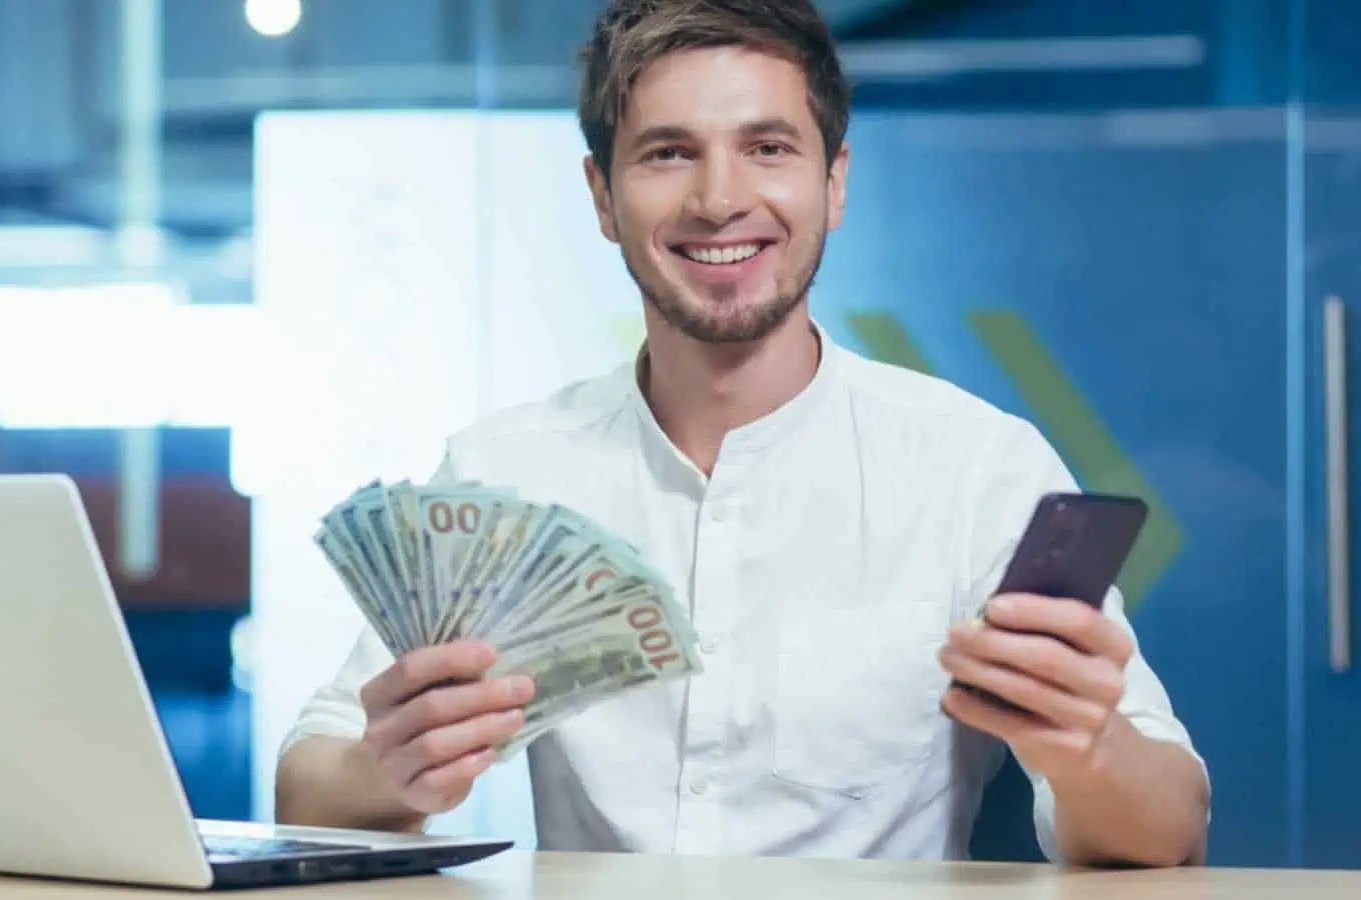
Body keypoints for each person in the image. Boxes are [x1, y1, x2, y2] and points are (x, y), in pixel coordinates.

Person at [275, 0, 1210, 867]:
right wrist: (385, 771)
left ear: (834, 182)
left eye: (767, 147)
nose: (720, 199)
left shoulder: (976, 469)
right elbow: (306, 782)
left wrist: (1090, 749)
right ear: (602, 196)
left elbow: (1175, 827)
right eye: (668, 153)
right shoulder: (504, 470)